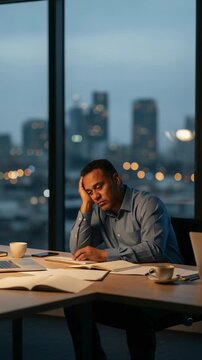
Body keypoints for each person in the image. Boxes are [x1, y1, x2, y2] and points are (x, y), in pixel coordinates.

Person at [64, 159, 184, 360]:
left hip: (166, 291)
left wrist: (104, 255)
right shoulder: (100, 210)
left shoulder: (148, 204)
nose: (96, 196)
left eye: (98, 187)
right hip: (128, 287)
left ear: (116, 179)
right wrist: (85, 205)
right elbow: (78, 250)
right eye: (90, 192)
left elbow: (154, 250)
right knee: (75, 304)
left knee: (137, 313)